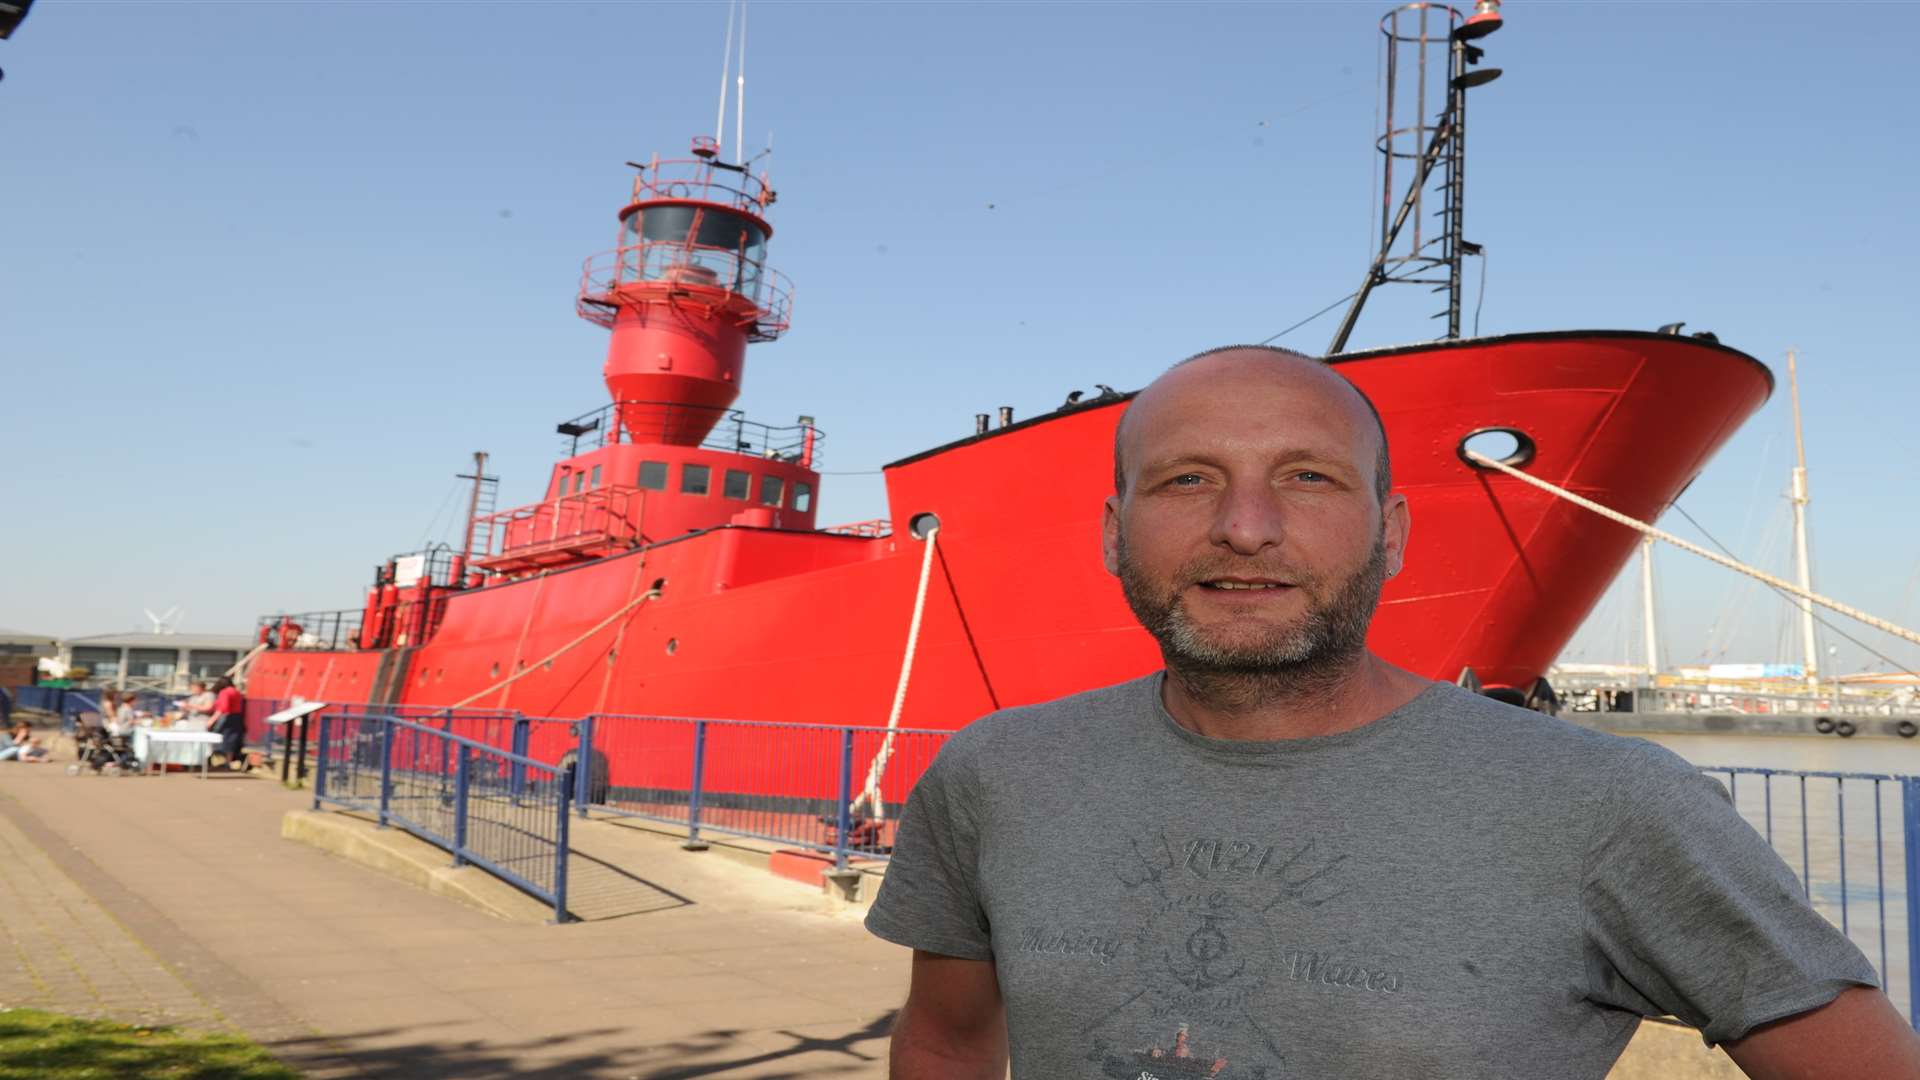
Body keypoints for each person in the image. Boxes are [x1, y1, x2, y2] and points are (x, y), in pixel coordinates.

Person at [866, 346, 1920, 1079]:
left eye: (1309, 477)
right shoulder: (991, 777)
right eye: (1188, 479)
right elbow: (951, 1043)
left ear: (1394, 533)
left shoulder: (1612, 804)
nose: (1245, 527)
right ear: (1111, 531)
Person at [208, 677, 246, 768]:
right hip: (237, 718)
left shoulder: (224, 692)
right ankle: (228, 761)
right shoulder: (236, 692)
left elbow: (224, 708)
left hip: (227, 717)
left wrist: (212, 720)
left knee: (218, 738)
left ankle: (215, 760)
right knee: (232, 739)